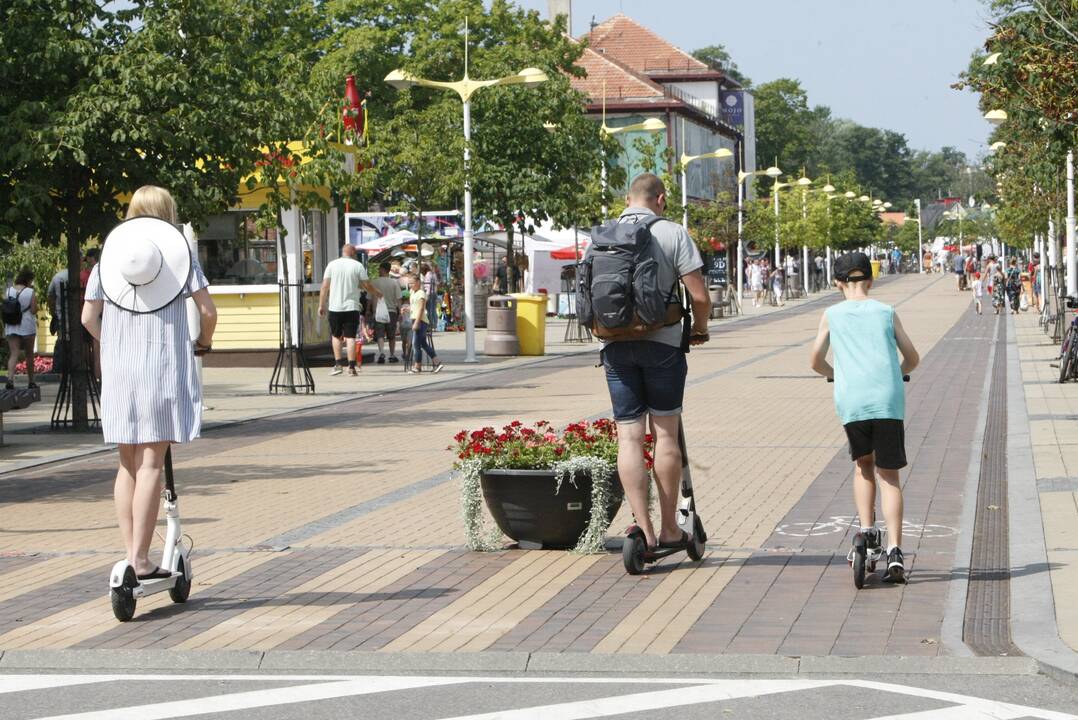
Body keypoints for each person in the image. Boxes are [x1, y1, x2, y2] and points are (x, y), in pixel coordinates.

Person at [81, 185, 218, 582]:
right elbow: (207, 311)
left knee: (126, 463)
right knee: (151, 461)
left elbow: (88, 318)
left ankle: (130, 554)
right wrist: (203, 344)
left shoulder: (112, 257)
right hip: (160, 366)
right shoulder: (178, 256)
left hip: (119, 371)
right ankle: (142, 559)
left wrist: (115, 344)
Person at [600, 173, 711, 552]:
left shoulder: (602, 235)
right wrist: (700, 328)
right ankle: (669, 529)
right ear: (660, 199)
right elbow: (699, 296)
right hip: (663, 346)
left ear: (628, 198)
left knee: (629, 437)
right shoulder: (673, 233)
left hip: (614, 346)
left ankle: (642, 531)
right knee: (665, 433)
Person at [809, 252, 920, 583]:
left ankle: (868, 531)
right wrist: (896, 375)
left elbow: (814, 360)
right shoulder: (886, 312)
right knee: (890, 476)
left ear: (837, 282)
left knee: (863, 466)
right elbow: (912, 357)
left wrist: (834, 374)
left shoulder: (832, 314)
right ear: (871, 280)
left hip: (853, 401)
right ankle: (896, 551)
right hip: (888, 400)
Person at [318, 244, 381, 377]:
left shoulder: (332, 265)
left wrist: (321, 305)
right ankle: (351, 367)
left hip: (335, 307)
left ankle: (338, 364)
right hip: (351, 307)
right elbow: (366, 284)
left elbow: (324, 286)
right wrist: (376, 292)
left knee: (336, 336)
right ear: (352, 252)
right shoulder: (357, 266)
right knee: (351, 337)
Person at [4, 268, 38, 390]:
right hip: (27, 326)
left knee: (14, 354)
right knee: (29, 355)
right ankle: (31, 382)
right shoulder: (30, 291)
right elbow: (34, 310)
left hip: (11, 325)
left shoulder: (8, 291)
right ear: (28, 280)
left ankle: (10, 380)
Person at [405, 272, 443, 374]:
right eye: (409, 283)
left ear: (418, 282)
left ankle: (417, 366)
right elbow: (414, 307)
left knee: (416, 344)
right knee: (423, 344)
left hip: (420, 320)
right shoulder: (412, 293)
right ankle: (437, 362)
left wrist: (417, 322)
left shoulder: (421, 293)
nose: (410, 285)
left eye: (412, 283)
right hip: (415, 318)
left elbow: (421, 308)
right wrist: (406, 309)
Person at [370, 261, 404, 363]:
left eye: (379, 269)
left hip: (378, 312)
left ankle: (381, 353)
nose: (378, 271)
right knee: (391, 335)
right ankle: (392, 355)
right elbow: (398, 299)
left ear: (383, 269)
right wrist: (400, 311)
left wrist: (368, 310)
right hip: (391, 312)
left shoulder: (374, 282)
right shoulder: (394, 283)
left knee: (380, 334)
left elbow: (369, 298)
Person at [420, 262, 439, 327]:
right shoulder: (433, 274)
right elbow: (436, 283)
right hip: (434, 293)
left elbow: (428, 286)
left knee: (429, 309)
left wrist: (427, 295)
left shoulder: (427, 275)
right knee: (433, 309)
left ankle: (431, 324)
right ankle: (435, 324)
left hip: (429, 293)